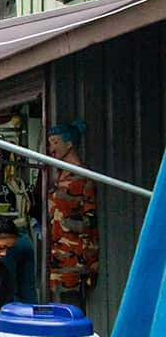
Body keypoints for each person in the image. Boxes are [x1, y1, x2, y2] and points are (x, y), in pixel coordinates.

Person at [47, 121, 98, 306]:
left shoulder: (82, 176)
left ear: (69, 144)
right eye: (50, 143)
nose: (52, 149)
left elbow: (90, 220)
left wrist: (90, 260)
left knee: (72, 308)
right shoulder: (58, 176)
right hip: (55, 253)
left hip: (74, 256)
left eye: (55, 143)